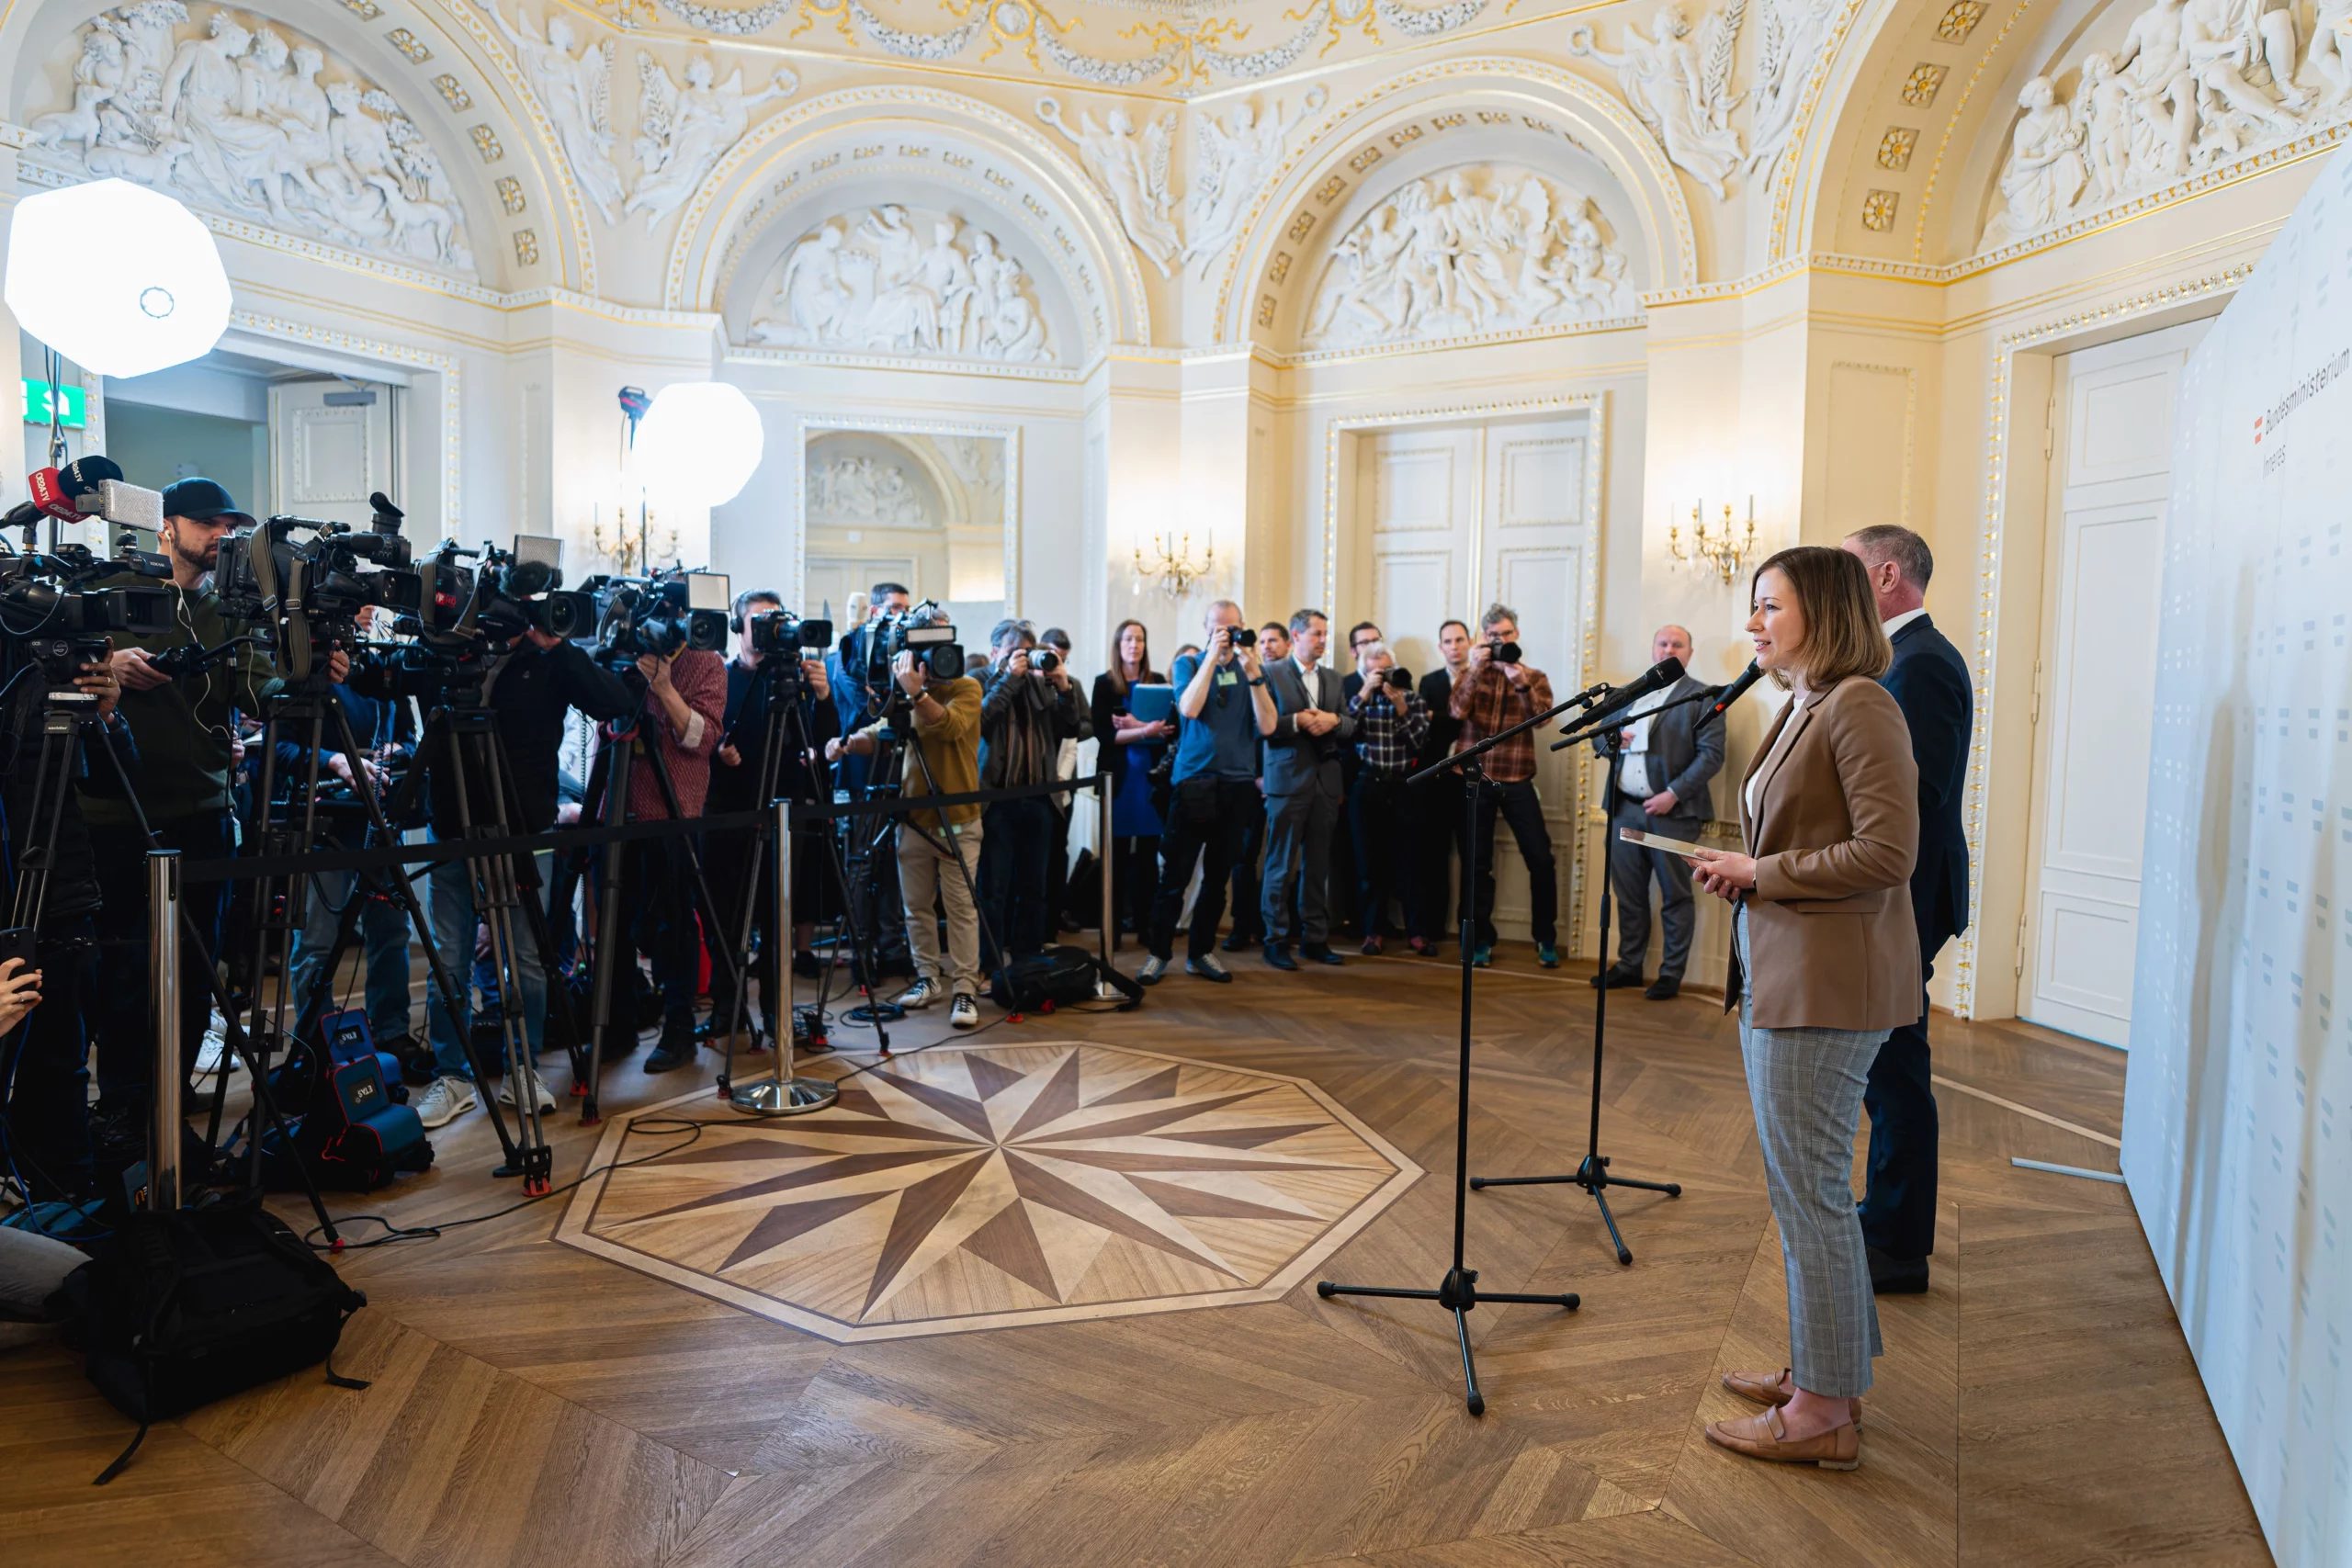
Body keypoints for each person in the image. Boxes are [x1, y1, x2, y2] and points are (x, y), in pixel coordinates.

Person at [1687, 545, 1920, 1472]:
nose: (1753, 623)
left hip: (1827, 985)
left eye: (1769, 606)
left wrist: (1761, 872)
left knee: (1812, 1198)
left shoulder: (1860, 703)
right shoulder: (1808, 701)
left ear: (1822, 611)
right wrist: (1749, 878)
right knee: (1806, 1194)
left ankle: (1823, 1414)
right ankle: (1824, 1376)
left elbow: (1887, 854)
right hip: (1792, 967)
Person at [85, 478, 329, 1145]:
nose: (221, 534)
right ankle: (124, 1109)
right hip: (119, 816)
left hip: (206, 813)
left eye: (229, 525)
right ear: (167, 526)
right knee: (125, 971)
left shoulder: (227, 609)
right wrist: (111, 661)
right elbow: (64, 669)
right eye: (207, 523)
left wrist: (309, 663)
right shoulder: (113, 594)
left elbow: (259, 691)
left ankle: (167, 1098)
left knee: (195, 971)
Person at [400, 623, 636, 1126]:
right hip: (454, 825)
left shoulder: (547, 659)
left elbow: (615, 702)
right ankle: (454, 1076)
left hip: (526, 830)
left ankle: (522, 1069)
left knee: (528, 959)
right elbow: (388, 678)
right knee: (450, 958)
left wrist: (560, 646)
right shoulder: (450, 650)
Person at [1843, 525, 1973, 1295]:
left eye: (1849, 567)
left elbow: (1912, 800)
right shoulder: (1902, 656)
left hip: (1907, 896)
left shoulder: (1920, 663)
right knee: (1887, 1066)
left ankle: (1896, 1246)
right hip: (1899, 894)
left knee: (1894, 1070)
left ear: (1887, 574)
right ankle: (1887, 1223)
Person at [0, 640, 129, 1213]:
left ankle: (64, 1199)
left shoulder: (46, 661)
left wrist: (106, 717)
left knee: (59, 1062)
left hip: (59, 887)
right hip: (24, 883)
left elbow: (116, 785)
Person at [829, 607, 986, 1030]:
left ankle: (966, 988)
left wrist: (917, 693)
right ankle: (927, 978)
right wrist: (845, 744)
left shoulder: (967, 687)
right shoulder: (904, 691)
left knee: (960, 910)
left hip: (957, 819)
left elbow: (951, 726)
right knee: (915, 908)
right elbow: (881, 732)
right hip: (912, 817)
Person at [703, 589, 838, 1050]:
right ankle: (727, 1010)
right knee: (727, 918)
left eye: (775, 621)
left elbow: (825, 744)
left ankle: (777, 1011)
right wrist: (718, 751)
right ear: (738, 627)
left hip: (786, 811)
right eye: (758, 621)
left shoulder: (797, 680)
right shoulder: (719, 679)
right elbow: (701, 736)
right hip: (730, 813)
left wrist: (821, 696)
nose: (767, 630)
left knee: (777, 920)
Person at [283, 607, 420, 1060]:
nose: (363, 611)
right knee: (318, 943)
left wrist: (397, 749)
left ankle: (392, 1034)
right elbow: (278, 746)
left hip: (380, 822)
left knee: (390, 932)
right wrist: (334, 762)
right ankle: (318, 1052)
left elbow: (412, 738)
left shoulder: (383, 666)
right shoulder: (305, 663)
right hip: (326, 824)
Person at [605, 637, 727, 1075]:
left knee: (672, 926)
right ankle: (616, 1025)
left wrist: (664, 688)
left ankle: (679, 1028)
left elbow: (701, 737)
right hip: (617, 808)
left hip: (673, 812)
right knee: (614, 926)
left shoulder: (707, 662)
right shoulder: (621, 652)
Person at [1139, 602, 1276, 985]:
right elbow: (1189, 707)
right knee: (1175, 877)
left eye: (1232, 628)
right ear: (1206, 629)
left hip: (1237, 784)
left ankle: (1200, 952)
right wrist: (1212, 659)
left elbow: (1267, 726)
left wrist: (1253, 675)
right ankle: (1157, 954)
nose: (1227, 634)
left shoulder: (1254, 669)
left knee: (1218, 879)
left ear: (1243, 627)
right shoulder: (1189, 664)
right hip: (1194, 782)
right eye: (1219, 628)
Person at [1591, 624, 1724, 1000]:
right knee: (1629, 895)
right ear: (1653, 650)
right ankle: (1629, 966)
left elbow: (1712, 755)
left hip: (1671, 814)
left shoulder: (1704, 695)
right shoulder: (1630, 693)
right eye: (1662, 643)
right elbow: (1598, 735)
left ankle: (1670, 974)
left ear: (1689, 652)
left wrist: (1672, 794)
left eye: (1677, 644)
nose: (1669, 649)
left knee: (1675, 895)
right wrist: (1614, 737)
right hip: (1623, 810)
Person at [1450, 604, 1559, 967]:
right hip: (1474, 779)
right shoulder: (1469, 672)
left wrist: (1518, 678)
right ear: (1484, 637)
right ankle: (1480, 939)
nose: (1501, 641)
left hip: (1517, 777)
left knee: (1541, 859)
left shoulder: (1533, 675)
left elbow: (1542, 719)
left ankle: (1545, 937)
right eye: (1494, 636)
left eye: (1507, 635)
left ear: (1517, 634)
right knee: (1476, 863)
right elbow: (1457, 711)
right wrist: (1479, 665)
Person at [977, 620, 1089, 962]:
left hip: (1040, 798)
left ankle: (1027, 959)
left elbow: (1072, 726)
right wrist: (1010, 677)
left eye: (1026, 653)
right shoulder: (979, 679)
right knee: (993, 888)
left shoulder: (1041, 682)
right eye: (1013, 653)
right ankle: (990, 961)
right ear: (996, 651)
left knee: (1034, 888)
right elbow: (981, 721)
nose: (1022, 660)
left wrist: (1064, 686)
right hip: (996, 800)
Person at [1259, 609, 1356, 968]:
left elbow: (1350, 726)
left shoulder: (1334, 678)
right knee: (1280, 865)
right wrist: (1297, 721)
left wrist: (1334, 721)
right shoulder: (1270, 674)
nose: (1322, 640)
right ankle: (1275, 940)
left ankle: (1315, 939)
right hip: (1286, 780)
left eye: (1325, 634)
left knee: (1318, 866)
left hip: (1327, 783)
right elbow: (1260, 726)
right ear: (1295, 636)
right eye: (1316, 633)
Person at [1346, 641, 1427, 955]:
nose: (1385, 676)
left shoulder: (1413, 699)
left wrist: (1401, 707)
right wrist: (1366, 690)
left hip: (1405, 786)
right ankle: (1372, 932)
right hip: (1368, 786)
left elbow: (1420, 741)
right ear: (1366, 671)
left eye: (1387, 668)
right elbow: (1345, 727)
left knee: (1412, 864)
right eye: (1378, 670)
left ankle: (1417, 932)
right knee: (1369, 865)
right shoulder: (1359, 700)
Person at [1091, 619, 1169, 941]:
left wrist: (1136, 727)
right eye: (1127, 639)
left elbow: (1166, 734)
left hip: (1150, 781)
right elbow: (1105, 736)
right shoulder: (1104, 684)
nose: (1134, 645)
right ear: (1118, 645)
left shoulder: (1160, 682)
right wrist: (1145, 731)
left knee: (1149, 860)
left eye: (1139, 639)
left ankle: (1145, 926)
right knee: (1116, 858)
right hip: (1118, 781)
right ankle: (1113, 931)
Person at [1409, 618, 1473, 954]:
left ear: (1470, 642)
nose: (1454, 646)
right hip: (1436, 781)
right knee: (1434, 856)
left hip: (1470, 780)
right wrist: (1442, 718)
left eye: (1460, 639)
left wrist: (1440, 716)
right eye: (1448, 641)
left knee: (1471, 856)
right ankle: (1433, 927)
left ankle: (1468, 931)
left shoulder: (1481, 677)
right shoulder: (1430, 681)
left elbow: (1466, 719)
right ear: (1441, 647)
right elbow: (1427, 723)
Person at [1038, 626, 1080, 935]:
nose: (1055, 663)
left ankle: (1055, 914)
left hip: (1063, 777)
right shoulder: (1028, 685)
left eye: (1061, 658)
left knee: (1058, 849)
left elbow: (1080, 726)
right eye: (1052, 657)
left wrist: (1064, 689)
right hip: (1032, 780)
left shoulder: (1071, 686)